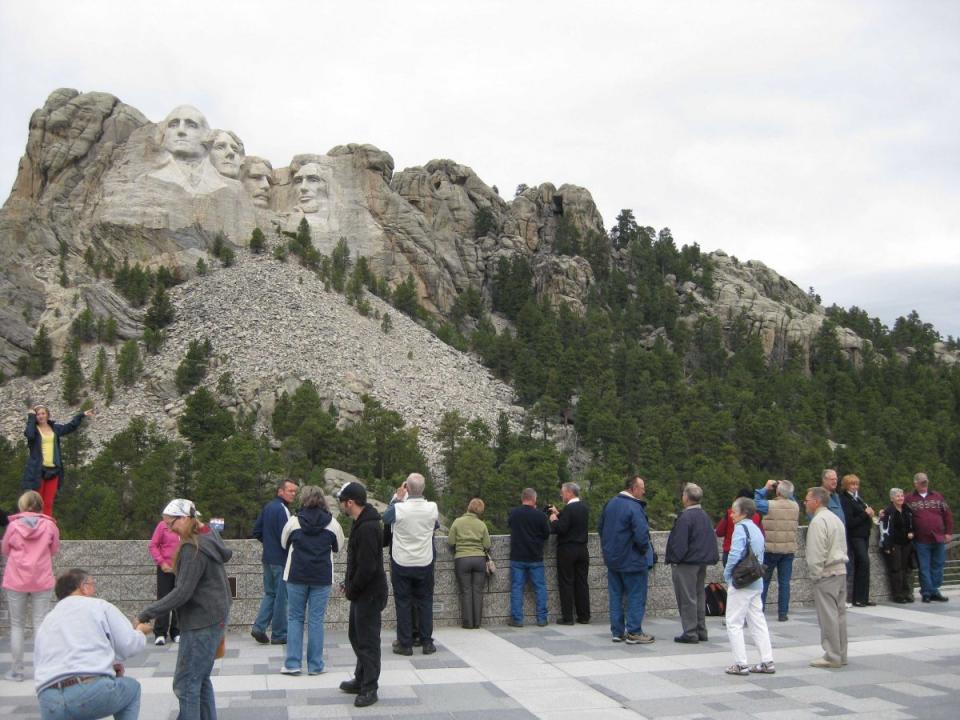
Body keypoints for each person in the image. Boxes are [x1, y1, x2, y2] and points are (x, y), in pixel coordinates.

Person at [137, 499, 233, 718]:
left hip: (202, 621)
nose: (169, 530)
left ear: (184, 518)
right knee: (200, 679)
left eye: (171, 524)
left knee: (186, 683)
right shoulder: (208, 534)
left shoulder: (192, 548)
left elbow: (182, 592)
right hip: (215, 615)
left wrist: (147, 613)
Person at [34, 569, 151, 720]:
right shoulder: (99, 606)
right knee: (132, 689)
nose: (94, 590)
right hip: (87, 689)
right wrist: (140, 631)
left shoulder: (47, 620)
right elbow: (128, 644)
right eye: (93, 584)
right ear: (84, 586)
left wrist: (106, 666)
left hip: (48, 697)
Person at [280, 485, 344, 676]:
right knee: (316, 620)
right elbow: (338, 547)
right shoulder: (332, 523)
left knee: (295, 618)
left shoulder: (294, 521)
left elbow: (284, 543)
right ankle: (315, 665)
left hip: (296, 575)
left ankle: (292, 663)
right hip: (321, 576)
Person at [336, 481, 387, 708]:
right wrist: (348, 584)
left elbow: (367, 567)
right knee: (356, 636)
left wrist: (352, 588)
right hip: (361, 593)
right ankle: (361, 678)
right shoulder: (363, 522)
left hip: (369, 594)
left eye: (343, 502)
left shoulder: (367, 527)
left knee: (367, 641)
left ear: (350, 502)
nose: (341, 507)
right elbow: (358, 563)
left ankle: (370, 687)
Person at [2, 490, 60, 682]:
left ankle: (17, 671)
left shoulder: (13, 526)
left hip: (16, 579)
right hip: (42, 578)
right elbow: (54, 550)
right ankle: (41, 670)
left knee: (17, 625)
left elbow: (5, 550)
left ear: (22, 504)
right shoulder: (50, 526)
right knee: (40, 624)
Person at [383, 472, 439, 655]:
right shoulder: (432, 507)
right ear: (423, 489)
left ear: (406, 487)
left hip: (402, 561)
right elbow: (435, 525)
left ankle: (405, 643)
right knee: (425, 601)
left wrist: (398, 498)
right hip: (425, 560)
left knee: (403, 602)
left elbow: (386, 518)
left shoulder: (399, 508)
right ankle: (427, 642)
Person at [597, 476, 655, 644]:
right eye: (642, 487)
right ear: (633, 488)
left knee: (615, 596)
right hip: (632, 560)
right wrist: (644, 550)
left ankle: (617, 632)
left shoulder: (610, 504)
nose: (644, 491)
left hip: (613, 560)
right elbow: (641, 536)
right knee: (636, 596)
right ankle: (634, 632)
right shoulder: (634, 507)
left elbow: (601, 528)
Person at [723, 497, 775, 675]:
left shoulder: (740, 528)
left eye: (734, 511)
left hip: (742, 582)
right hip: (756, 580)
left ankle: (740, 663)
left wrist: (727, 573)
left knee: (734, 622)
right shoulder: (756, 528)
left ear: (743, 512)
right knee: (757, 621)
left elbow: (735, 554)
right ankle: (767, 660)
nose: (731, 515)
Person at [666, 483, 719, 644]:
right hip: (701, 561)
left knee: (687, 598)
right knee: (699, 595)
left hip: (686, 563)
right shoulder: (704, 515)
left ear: (687, 498)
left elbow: (679, 543)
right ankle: (701, 630)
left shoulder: (685, 517)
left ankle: (690, 632)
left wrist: (674, 559)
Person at [804, 486, 848, 668]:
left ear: (816, 501)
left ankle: (831, 656)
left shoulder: (818, 521)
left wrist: (815, 575)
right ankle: (841, 654)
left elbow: (816, 552)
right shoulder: (835, 518)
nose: (805, 504)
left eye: (806, 500)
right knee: (839, 615)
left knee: (828, 616)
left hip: (826, 573)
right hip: (841, 570)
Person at [22, 405, 92, 517]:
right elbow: (29, 435)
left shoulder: (54, 428)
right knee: (36, 502)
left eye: (43, 413)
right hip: (38, 471)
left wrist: (81, 415)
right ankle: (36, 526)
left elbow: (70, 427)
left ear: (47, 415)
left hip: (53, 470)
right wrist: (30, 416)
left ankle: (47, 526)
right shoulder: (34, 430)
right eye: (38, 414)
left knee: (48, 502)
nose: (40, 416)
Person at [251, 479, 298, 644]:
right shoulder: (283, 510)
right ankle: (279, 634)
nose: (293, 494)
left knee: (270, 594)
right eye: (290, 490)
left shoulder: (268, 507)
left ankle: (259, 627)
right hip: (281, 560)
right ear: (280, 491)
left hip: (267, 558)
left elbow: (256, 531)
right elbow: (287, 536)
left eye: (294, 491)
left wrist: (269, 544)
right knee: (281, 597)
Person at [754, 479, 799, 621]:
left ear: (777, 491)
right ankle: (783, 613)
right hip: (788, 550)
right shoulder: (795, 506)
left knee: (764, 581)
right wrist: (785, 487)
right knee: (784, 583)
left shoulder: (769, 505)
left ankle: (759, 611)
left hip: (770, 549)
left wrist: (765, 488)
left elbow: (753, 503)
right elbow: (790, 496)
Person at [905, 472, 953, 603]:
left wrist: (948, 532)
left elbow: (947, 515)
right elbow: (898, 509)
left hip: (938, 537)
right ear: (915, 483)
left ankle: (934, 590)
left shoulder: (937, 496)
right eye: (921, 483)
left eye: (925, 482)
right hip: (921, 539)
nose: (924, 485)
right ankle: (927, 592)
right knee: (924, 567)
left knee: (938, 564)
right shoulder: (909, 498)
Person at [507, 488, 551, 628]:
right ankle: (542, 619)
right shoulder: (540, 516)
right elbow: (546, 534)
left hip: (517, 556)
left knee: (517, 587)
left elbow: (510, 526)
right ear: (534, 499)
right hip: (535, 557)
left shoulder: (514, 513)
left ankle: (517, 619)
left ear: (522, 498)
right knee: (540, 587)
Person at [549, 482, 591, 625]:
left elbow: (560, 529)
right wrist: (559, 513)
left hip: (567, 550)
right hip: (582, 549)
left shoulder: (569, 509)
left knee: (566, 582)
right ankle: (584, 615)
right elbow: (573, 522)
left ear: (569, 493)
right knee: (582, 583)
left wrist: (554, 520)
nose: (561, 495)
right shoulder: (584, 508)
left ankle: (568, 617)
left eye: (562, 492)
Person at [447, 497, 491, 629]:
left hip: (462, 559)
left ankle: (468, 623)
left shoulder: (457, 522)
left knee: (466, 590)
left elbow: (450, 542)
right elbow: (487, 544)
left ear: (469, 507)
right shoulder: (481, 524)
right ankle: (477, 622)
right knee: (477, 590)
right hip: (479, 559)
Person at [839, 474, 876, 607]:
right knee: (863, 563)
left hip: (864, 535)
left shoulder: (858, 498)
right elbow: (850, 521)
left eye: (856, 484)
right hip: (855, 536)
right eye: (852, 484)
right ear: (846, 485)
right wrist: (864, 514)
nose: (855, 487)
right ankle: (858, 598)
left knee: (864, 566)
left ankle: (863, 597)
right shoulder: (845, 499)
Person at [148, 507, 181, 646]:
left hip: (182, 568)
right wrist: (161, 563)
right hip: (165, 568)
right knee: (164, 599)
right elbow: (153, 546)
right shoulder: (162, 526)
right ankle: (160, 633)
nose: (165, 518)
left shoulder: (183, 525)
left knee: (180, 599)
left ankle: (177, 631)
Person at [879, 487, 915, 603]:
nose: (900, 498)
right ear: (891, 498)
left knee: (905, 569)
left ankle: (906, 593)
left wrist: (911, 532)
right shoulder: (888, 512)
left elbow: (912, 524)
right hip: (894, 544)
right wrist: (887, 546)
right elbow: (884, 529)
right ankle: (898, 595)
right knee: (896, 569)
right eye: (897, 496)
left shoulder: (907, 509)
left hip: (906, 543)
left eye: (901, 496)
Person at [715, 489, 763, 565]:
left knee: (730, 575)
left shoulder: (730, 513)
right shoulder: (757, 515)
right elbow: (762, 535)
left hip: (730, 551)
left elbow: (719, 532)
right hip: (750, 554)